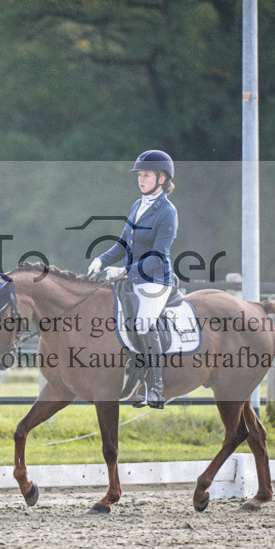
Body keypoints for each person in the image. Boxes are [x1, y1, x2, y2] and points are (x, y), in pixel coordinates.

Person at [88, 149, 178, 408]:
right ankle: (130, 377)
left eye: (146, 175)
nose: (141, 179)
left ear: (162, 179)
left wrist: (125, 271)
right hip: (130, 279)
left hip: (155, 281)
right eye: (139, 175)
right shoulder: (138, 205)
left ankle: (157, 389)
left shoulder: (167, 212)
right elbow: (122, 246)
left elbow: (158, 256)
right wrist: (102, 260)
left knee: (143, 324)